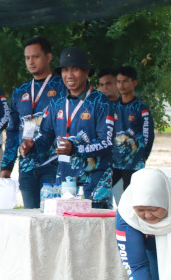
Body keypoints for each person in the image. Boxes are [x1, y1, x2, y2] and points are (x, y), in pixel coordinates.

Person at [22, 46, 114, 208]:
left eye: (75, 69)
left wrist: (75, 148)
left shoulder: (100, 101)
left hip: (94, 186)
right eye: (65, 70)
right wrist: (32, 146)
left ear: (86, 72)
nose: (69, 75)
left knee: (94, 232)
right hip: (64, 184)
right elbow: (45, 136)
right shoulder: (56, 103)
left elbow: (106, 143)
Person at [0, 36, 65, 209]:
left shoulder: (62, 86)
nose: (31, 62)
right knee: (31, 217)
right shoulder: (20, 91)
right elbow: (13, 131)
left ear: (48, 57)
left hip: (54, 163)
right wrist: (6, 165)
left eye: (35, 56)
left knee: (53, 217)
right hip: (26, 166)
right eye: (27, 58)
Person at [112, 66, 154, 191]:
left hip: (134, 162)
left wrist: (143, 155)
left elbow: (148, 135)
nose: (121, 85)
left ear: (134, 83)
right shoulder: (112, 107)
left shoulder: (141, 108)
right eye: (118, 81)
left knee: (130, 197)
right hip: (114, 161)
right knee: (103, 193)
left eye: (124, 81)